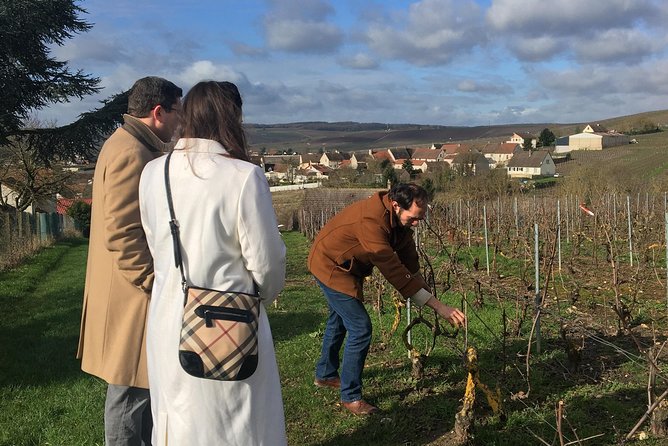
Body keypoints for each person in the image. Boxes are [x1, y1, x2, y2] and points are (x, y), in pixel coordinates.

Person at [138, 80, 287, 445]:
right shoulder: (242, 176)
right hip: (227, 321)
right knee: (235, 425)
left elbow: (154, 243)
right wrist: (262, 296)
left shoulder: (153, 173)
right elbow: (267, 263)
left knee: (176, 420)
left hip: (167, 318)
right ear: (232, 118)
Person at [77, 76, 182, 445]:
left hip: (127, 293)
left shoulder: (129, 142)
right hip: (131, 296)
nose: (179, 123)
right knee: (129, 394)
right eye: (176, 113)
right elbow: (121, 231)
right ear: (158, 112)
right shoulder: (131, 151)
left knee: (139, 389)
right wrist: (154, 281)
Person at [308, 183, 467, 415]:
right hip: (329, 266)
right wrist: (438, 306)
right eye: (414, 218)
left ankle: (325, 374)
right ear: (396, 205)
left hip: (347, 265)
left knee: (338, 319)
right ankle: (351, 396)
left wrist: (424, 288)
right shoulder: (371, 222)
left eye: (421, 219)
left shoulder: (397, 220)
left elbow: (409, 259)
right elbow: (392, 269)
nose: (416, 223)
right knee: (360, 328)